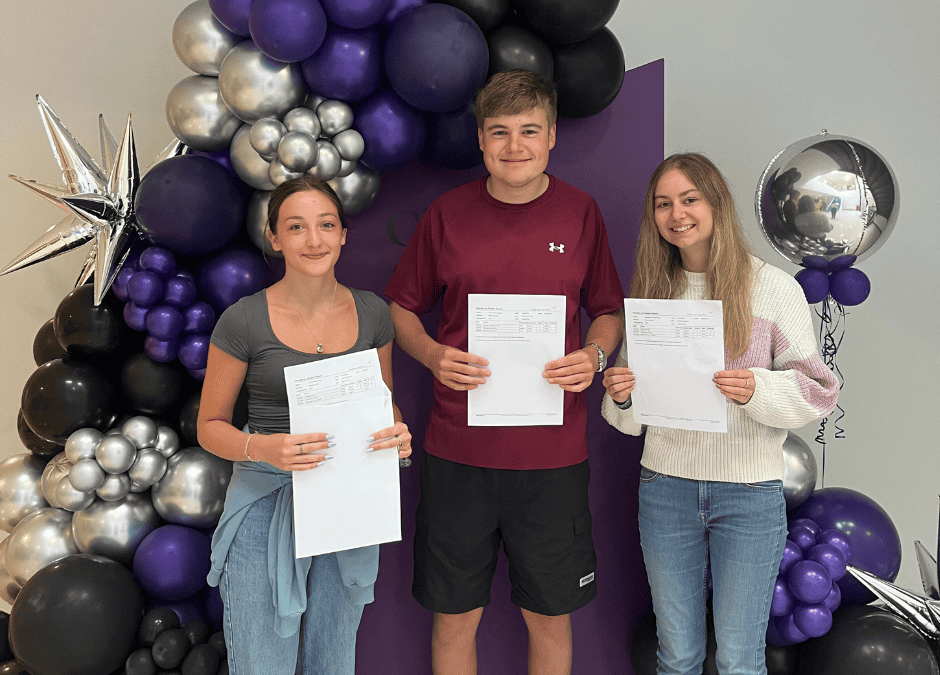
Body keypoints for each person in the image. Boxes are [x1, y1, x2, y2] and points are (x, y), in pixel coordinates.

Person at [385, 69, 624, 675]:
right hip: (457, 454)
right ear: (482, 141)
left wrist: (594, 359)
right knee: (454, 616)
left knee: (549, 616)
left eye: (528, 131)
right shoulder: (447, 214)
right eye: (499, 132)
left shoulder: (580, 212)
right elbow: (402, 308)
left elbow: (608, 311)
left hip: (552, 459)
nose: (513, 146)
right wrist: (434, 355)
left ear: (550, 139)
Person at [601, 153, 839, 675]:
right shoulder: (651, 291)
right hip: (666, 487)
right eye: (663, 204)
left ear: (717, 204)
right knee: (678, 655)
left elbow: (818, 392)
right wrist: (621, 395)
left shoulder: (773, 288)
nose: (676, 214)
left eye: (690, 199)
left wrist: (756, 387)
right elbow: (630, 417)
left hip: (749, 492)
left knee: (738, 659)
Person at [197, 176, 413, 675]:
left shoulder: (372, 313)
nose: (313, 240)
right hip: (265, 505)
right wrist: (263, 449)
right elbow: (210, 426)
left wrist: (396, 434)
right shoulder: (242, 320)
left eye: (326, 225)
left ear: (342, 234)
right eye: (296, 227)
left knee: (332, 661)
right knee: (262, 663)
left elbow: (386, 406)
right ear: (274, 237)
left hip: (349, 504)